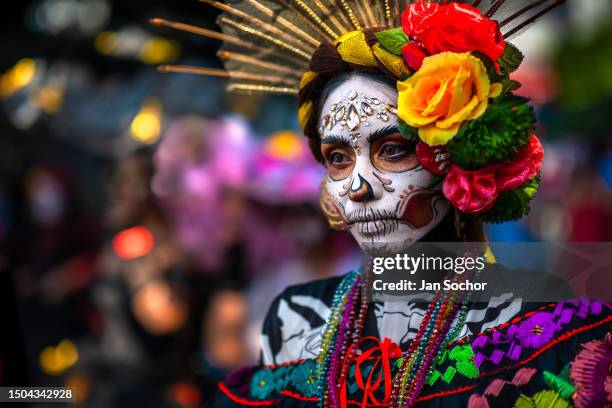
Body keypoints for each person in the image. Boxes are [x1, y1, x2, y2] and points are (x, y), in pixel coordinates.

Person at [156, 1, 612, 406]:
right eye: (337, 158)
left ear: (457, 158)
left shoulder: (533, 314)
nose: (359, 185)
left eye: (391, 150)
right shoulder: (295, 318)